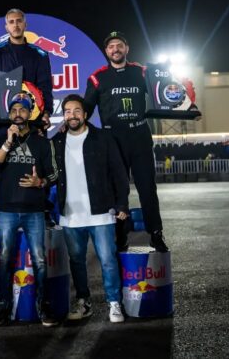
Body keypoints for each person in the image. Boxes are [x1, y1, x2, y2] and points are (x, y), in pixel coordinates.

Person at [84, 31, 168, 253]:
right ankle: (120, 237)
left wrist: (185, 107)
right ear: (106, 51)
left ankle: (156, 234)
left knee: (147, 189)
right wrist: (70, 122)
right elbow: (85, 109)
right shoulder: (97, 78)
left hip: (139, 137)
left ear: (126, 48)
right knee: (117, 192)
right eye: (111, 46)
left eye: (119, 45)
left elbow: (164, 93)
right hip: (113, 140)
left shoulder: (142, 72)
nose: (115, 49)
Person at [51, 94, 129, 323]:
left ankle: (114, 303)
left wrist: (121, 203)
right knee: (76, 262)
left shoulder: (103, 138)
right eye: (67, 111)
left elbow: (119, 172)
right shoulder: (56, 142)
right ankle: (83, 302)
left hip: (101, 212)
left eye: (77, 111)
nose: (72, 115)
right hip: (70, 215)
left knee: (107, 260)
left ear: (85, 114)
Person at [0, 91, 59, 327]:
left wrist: (40, 182)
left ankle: (43, 306)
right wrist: (8, 142)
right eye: (14, 110)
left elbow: (55, 174)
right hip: (6, 210)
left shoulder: (42, 142)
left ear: (30, 113)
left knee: (39, 259)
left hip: (34, 210)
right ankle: (3, 307)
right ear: (9, 114)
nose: (18, 114)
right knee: (5, 258)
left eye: (23, 109)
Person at [0, 8, 53, 132]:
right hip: (3, 120)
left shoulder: (39, 55)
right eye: (11, 22)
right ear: (6, 27)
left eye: (19, 21)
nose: (15, 25)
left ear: (25, 25)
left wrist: (46, 113)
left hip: (33, 119)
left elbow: (45, 86)